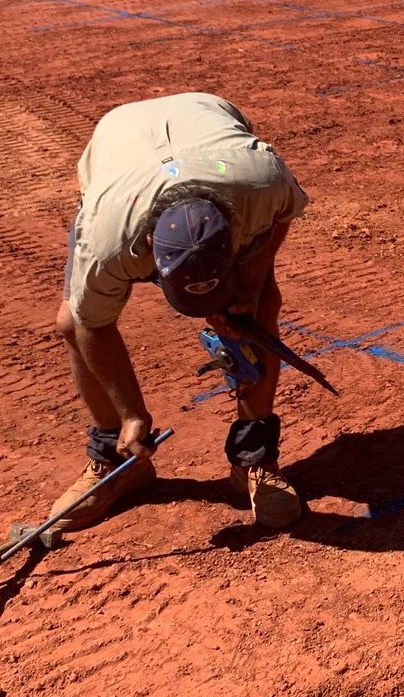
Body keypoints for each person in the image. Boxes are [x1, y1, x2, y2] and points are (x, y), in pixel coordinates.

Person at [50, 92, 309, 531]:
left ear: (234, 231)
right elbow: (93, 324)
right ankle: (115, 457)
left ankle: (254, 458)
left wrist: (248, 285)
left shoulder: (261, 183)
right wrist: (132, 413)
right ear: (149, 250)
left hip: (210, 131)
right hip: (121, 150)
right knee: (71, 321)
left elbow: (282, 214)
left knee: (261, 307)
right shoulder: (108, 238)